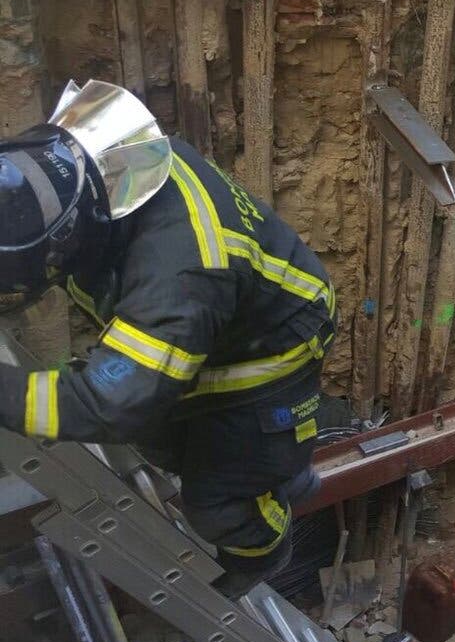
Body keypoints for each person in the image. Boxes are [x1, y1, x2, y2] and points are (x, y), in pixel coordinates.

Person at [0, 80, 336, 598]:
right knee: (166, 441)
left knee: (216, 499)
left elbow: (109, 405)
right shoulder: (79, 160)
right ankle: (271, 467)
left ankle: (264, 547)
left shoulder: (179, 274)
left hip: (275, 343)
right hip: (222, 317)